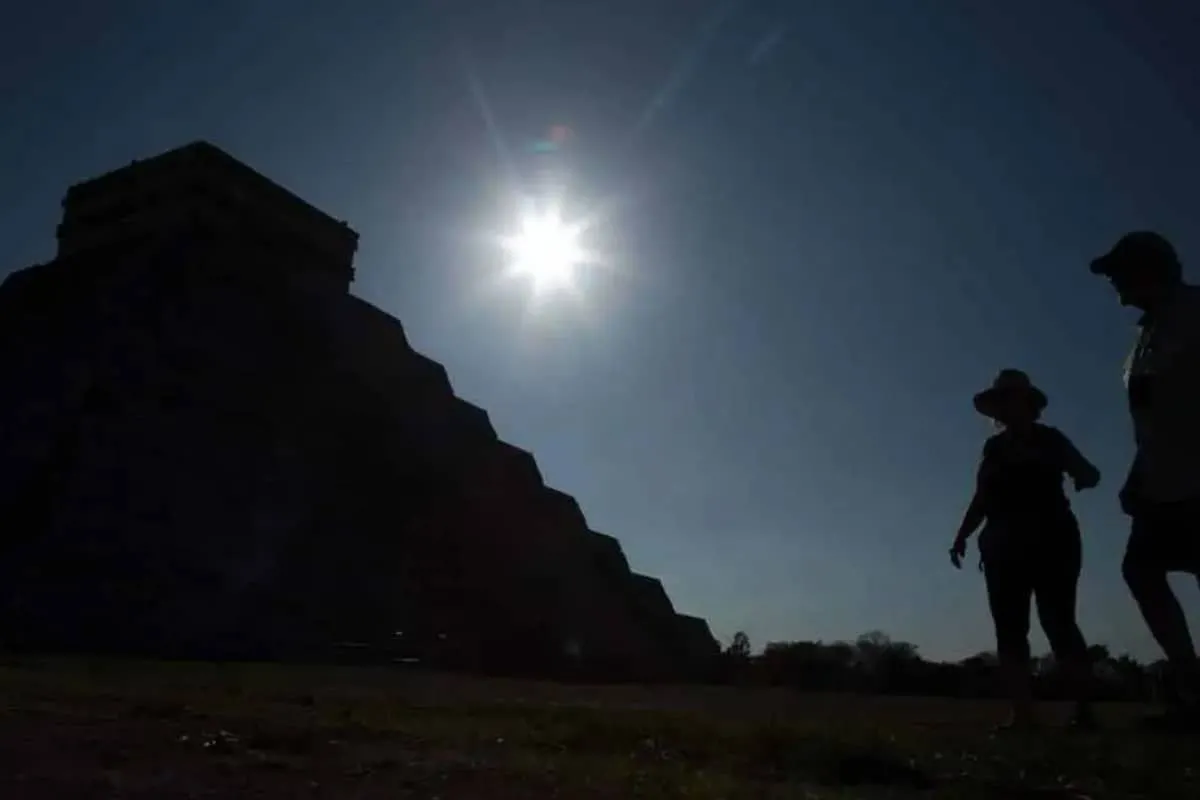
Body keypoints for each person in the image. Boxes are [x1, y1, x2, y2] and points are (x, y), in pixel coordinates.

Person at [1090, 231, 1200, 728]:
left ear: (1149, 270)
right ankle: (1189, 682)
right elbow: (1151, 418)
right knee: (1141, 570)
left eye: (1119, 269)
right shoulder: (1144, 335)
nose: (1112, 279)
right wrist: (1138, 475)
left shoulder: (1194, 311)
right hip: (1162, 478)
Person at [950, 369, 1101, 730]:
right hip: (1003, 545)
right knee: (1010, 628)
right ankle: (1022, 714)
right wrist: (962, 535)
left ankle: (1084, 710)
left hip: (1054, 541)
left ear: (1028, 405)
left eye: (1011, 400)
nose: (1005, 408)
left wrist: (1080, 476)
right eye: (1001, 402)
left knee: (1059, 622)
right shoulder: (994, 449)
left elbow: (1090, 473)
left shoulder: (1052, 441)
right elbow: (982, 496)